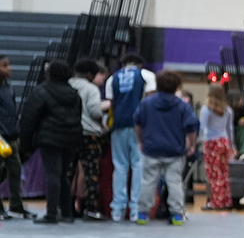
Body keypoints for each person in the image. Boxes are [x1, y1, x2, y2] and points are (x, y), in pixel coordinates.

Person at [18, 60, 85, 224]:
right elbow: (78, 115)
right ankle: (67, 212)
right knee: (63, 174)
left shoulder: (41, 91)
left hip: (50, 138)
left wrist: (25, 143)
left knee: (52, 174)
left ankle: (51, 213)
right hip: (71, 138)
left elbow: (29, 118)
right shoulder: (74, 93)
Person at [133, 71, 199, 225]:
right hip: (174, 151)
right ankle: (177, 214)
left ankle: (142, 214)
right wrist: (191, 145)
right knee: (174, 182)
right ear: (177, 86)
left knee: (148, 182)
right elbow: (191, 128)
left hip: (151, 149)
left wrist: (142, 142)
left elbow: (138, 124)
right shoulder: (183, 106)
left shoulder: (146, 104)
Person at [104, 52, 154, 222]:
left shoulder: (112, 78)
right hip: (139, 126)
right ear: (139, 64)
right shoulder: (146, 75)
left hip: (118, 124)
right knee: (139, 165)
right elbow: (150, 101)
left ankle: (117, 209)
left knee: (120, 166)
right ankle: (135, 209)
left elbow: (111, 105)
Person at [70, 59, 110, 220]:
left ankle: (66, 207)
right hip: (89, 134)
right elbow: (94, 111)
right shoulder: (91, 89)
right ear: (89, 74)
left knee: (69, 172)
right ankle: (90, 208)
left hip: (70, 133)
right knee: (91, 172)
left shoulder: (68, 84)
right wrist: (103, 120)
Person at [198, 88, 236, 210]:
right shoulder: (228, 110)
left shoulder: (207, 109)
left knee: (214, 173)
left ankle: (216, 202)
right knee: (224, 172)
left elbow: (202, 127)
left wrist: (198, 140)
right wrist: (232, 146)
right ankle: (226, 200)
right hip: (224, 141)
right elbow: (230, 129)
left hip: (212, 142)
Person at [0, 56, 26, 219]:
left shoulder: (8, 87)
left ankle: (16, 205)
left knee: (15, 170)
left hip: (10, 134)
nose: (9, 68)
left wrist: (15, 133)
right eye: (4, 65)